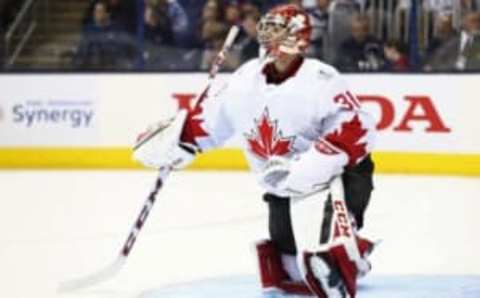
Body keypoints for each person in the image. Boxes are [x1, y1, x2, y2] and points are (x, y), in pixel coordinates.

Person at [134, 4, 376, 298]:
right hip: (278, 186)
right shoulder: (245, 79)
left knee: (330, 239)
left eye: (279, 31)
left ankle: (343, 254)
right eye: (268, 30)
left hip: (331, 177)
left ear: (299, 38)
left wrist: (307, 168)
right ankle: (353, 257)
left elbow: (357, 129)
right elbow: (209, 122)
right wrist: (178, 140)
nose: (269, 38)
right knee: (292, 265)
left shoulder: (322, 79)